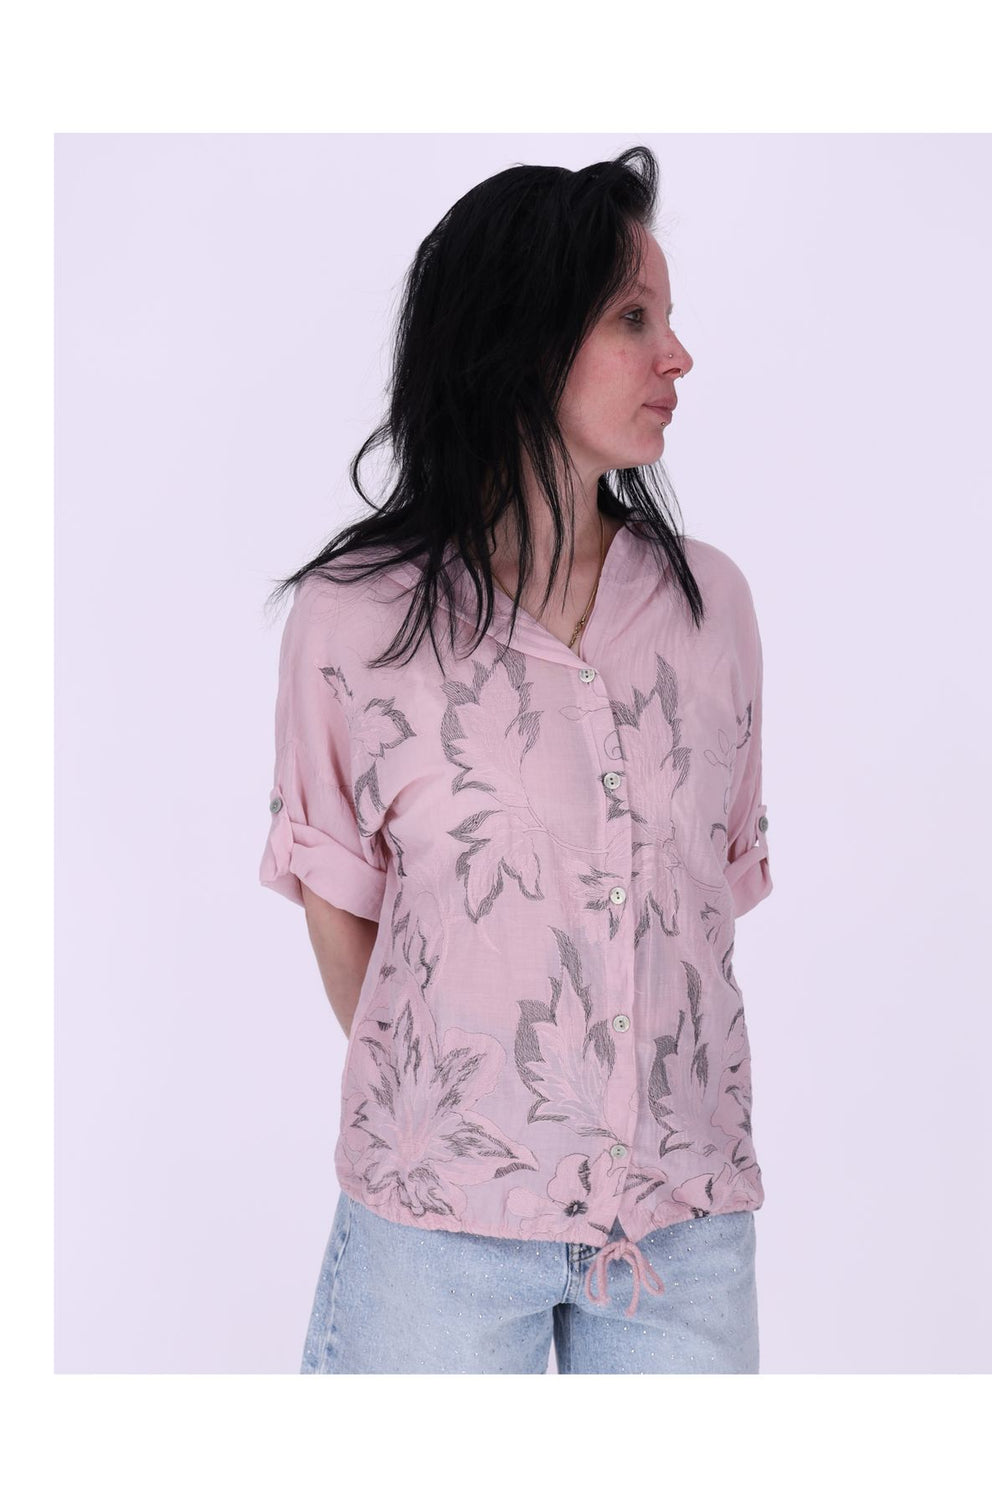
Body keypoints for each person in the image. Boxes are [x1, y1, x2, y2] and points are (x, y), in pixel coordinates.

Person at [259, 145, 774, 1373]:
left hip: (682, 1227)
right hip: (437, 1232)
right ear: (523, 341)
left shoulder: (711, 611)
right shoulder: (357, 619)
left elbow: (702, 903)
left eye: (668, 319)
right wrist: (473, 1120)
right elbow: (341, 905)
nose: (677, 356)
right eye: (633, 319)